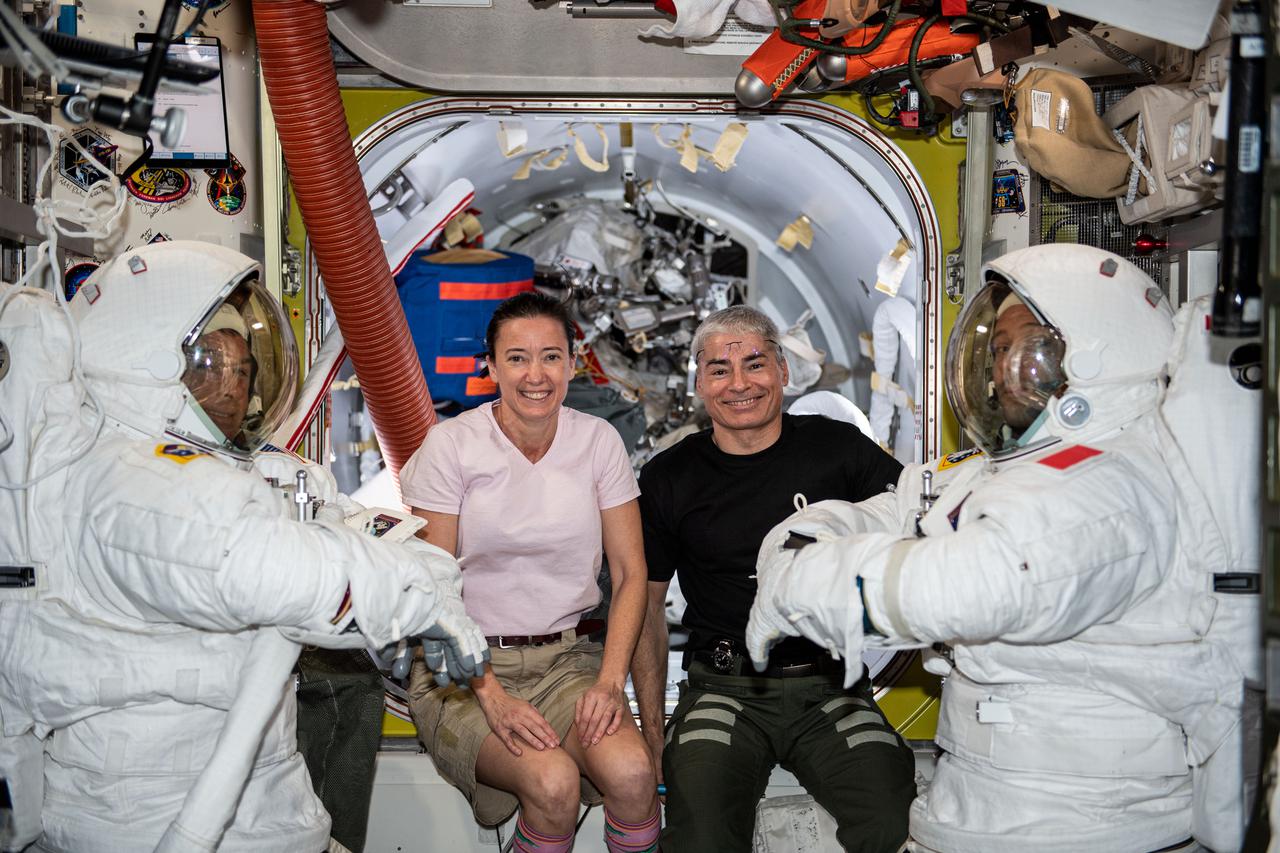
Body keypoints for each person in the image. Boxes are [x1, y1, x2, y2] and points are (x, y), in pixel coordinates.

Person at [747, 245, 1250, 853]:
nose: (1002, 368)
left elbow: (975, 585)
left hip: (1084, 826)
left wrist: (796, 584)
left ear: (1093, 352)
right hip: (981, 812)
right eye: (1000, 348)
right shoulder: (999, 470)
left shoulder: (1111, 484)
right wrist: (800, 544)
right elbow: (886, 511)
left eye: (1026, 346)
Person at [0, 240, 487, 853]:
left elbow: (365, 530)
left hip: (259, 803)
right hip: (150, 809)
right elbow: (260, 564)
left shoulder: (237, 472)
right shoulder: (127, 485)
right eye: (209, 367)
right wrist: (413, 602)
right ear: (152, 361)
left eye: (242, 369)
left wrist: (434, 585)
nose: (230, 388)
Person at [632, 305, 917, 853]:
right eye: (719, 369)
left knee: (893, 816)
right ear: (699, 384)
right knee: (702, 832)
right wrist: (651, 731)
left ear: (784, 372)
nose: (739, 384)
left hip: (830, 688)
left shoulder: (839, 450)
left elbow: (913, 523)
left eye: (755, 364)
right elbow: (645, 611)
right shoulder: (671, 476)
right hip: (723, 688)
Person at [401, 291, 660, 853]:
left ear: (573, 363)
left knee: (635, 778)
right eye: (516, 358)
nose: (534, 374)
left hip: (569, 661)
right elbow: (433, 586)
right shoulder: (452, 446)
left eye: (550, 356)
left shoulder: (598, 442)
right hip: (464, 672)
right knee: (553, 782)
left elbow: (631, 572)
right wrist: (491, 695)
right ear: (491, 366)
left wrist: (611, 683)